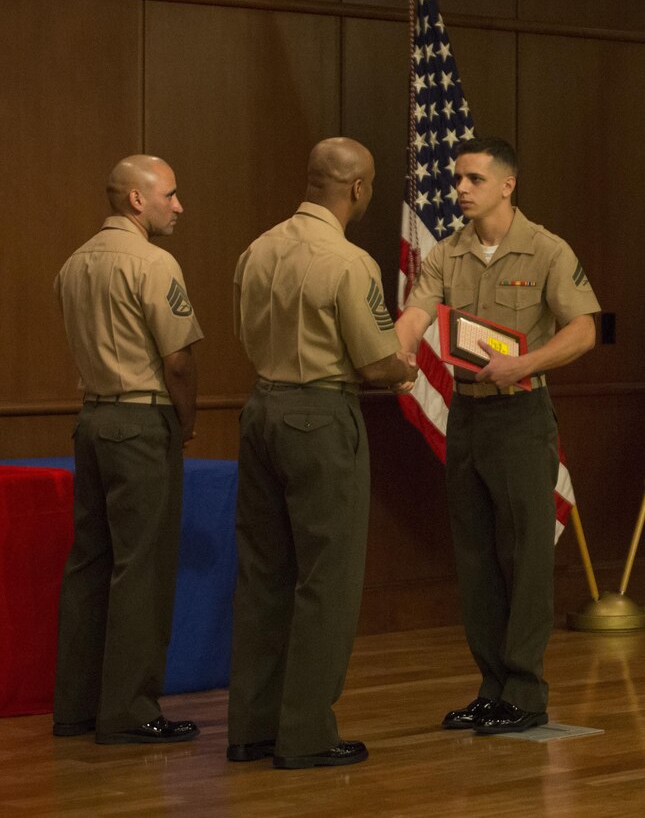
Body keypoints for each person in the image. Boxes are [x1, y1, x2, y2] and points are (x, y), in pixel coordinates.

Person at [396, 137, 600, 734]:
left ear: (507, 186)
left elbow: (585, 329)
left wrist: (526, 363)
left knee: (526, 556)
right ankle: (491, 687)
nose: (459, 188)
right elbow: (416, 310)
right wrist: (401, 346)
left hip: (520, 416)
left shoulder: (545, 250)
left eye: (474, 180)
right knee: (477, 555)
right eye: (458, 178)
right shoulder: (447, 253)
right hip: (469, 416)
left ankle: (526, 692)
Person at [227, 137, 418, 769]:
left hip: (259, 410)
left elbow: (241, 330)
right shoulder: (349, 261)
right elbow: (375, 362)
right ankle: (306, 734)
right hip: (320, 417)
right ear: (358, 189)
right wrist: (408, 365)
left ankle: (252, 729)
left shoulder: (257, 248)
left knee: (263, 575)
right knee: (326, 580)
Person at [52, 155, 204, 745]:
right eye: (170, 193)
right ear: (137, 200)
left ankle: (77, 709)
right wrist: (184, 423)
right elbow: (179, 359)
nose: (179, 205)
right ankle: (132, 711)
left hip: (90, 421)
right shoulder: (153, 262)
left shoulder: (73, 264)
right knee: (141, 568)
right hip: (141, 424)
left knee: (89, 564)